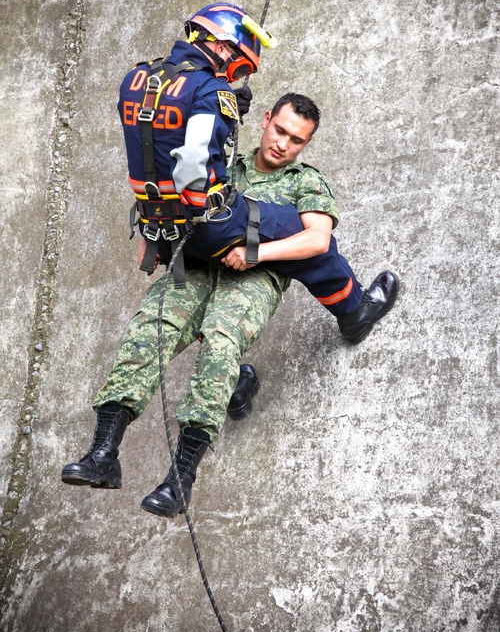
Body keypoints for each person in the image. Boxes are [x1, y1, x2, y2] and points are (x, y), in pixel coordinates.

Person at [61, 93, 399, 518]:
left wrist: (256, 254)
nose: (283, 144)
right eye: (279, 130)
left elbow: (318, 240)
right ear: (265, 120)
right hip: (198, 269)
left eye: (296, 140)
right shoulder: (224, 163)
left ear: (305, 145)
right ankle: (102, 455)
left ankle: (179, 481)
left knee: (220, 343)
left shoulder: (304, 181)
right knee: (149, 329)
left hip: (256, 275)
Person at [121, 2, 389, 321]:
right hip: (204, 223)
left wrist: (152, 230)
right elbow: (193, 159)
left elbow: (156, 149)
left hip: (158, 227)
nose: (232, 75)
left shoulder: (137, 78)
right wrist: (199, 213)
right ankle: (355, 312)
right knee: (307, 235)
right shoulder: (211, 90)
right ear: (222, 46)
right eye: (237, 67)